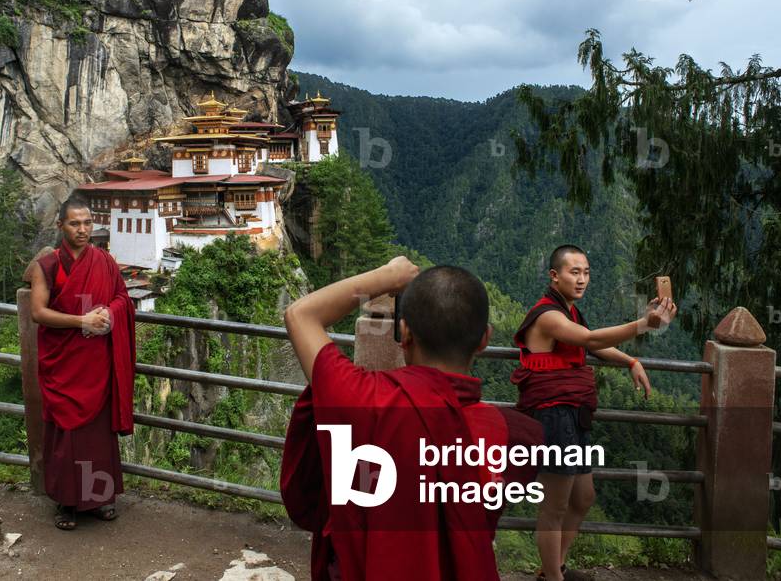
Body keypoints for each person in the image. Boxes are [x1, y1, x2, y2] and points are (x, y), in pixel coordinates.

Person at [281, 257, 543, 581]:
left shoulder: (362, 401)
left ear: (404, 334)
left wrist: (389, 276)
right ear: (484, 339)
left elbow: (300, 315)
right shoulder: (518, 437)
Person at [510, 244, 677, 581]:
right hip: (552, 416)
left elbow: (594, 345)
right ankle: (551, 577)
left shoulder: (569, 310)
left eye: (586, 272)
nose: (582, 279)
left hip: (574, 413)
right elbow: (588, 339)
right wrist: (643, 324)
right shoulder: (548, 315)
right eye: (574, 272)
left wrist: (630, 360)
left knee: (583, 498)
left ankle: (554, 567)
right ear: (554, 276)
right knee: (554, 507)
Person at [28, 195, 135, 530]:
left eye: (88, 222)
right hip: (64, 364)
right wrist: (81, 322)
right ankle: (67, 503)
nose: (82, 229)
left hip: (96, 364)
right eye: (74, 223)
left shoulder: (104, 261)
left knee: (98, 436)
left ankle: (100, 496)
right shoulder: (46, 266)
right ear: (61, 225)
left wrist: (107, 313)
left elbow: (121, 297)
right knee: (66, 438)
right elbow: (38, 312)